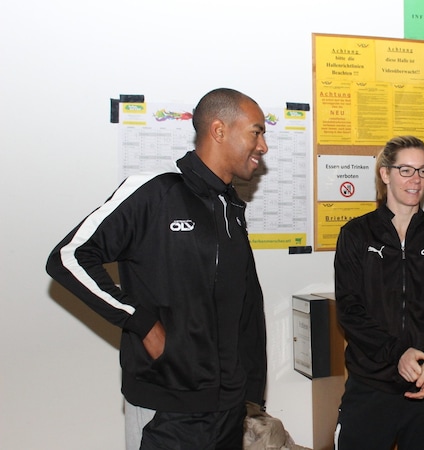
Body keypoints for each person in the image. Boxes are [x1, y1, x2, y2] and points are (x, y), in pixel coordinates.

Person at [46, 88, 268, 449]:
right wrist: (142, 323)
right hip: (167, 404)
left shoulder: (230, 209)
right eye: (256, 132)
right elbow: (69, 257)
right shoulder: (156, 192)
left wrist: (251, 389)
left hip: (228, 406)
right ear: (219, 130)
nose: (262, 146)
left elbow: (241, 304)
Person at [333, 136, 424, 450]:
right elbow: (350, 311)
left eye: (423, 171)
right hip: (371, 387)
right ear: (385, 174)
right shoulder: (356, 234)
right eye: (405, 170)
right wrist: (397, 354)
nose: (415, 180)